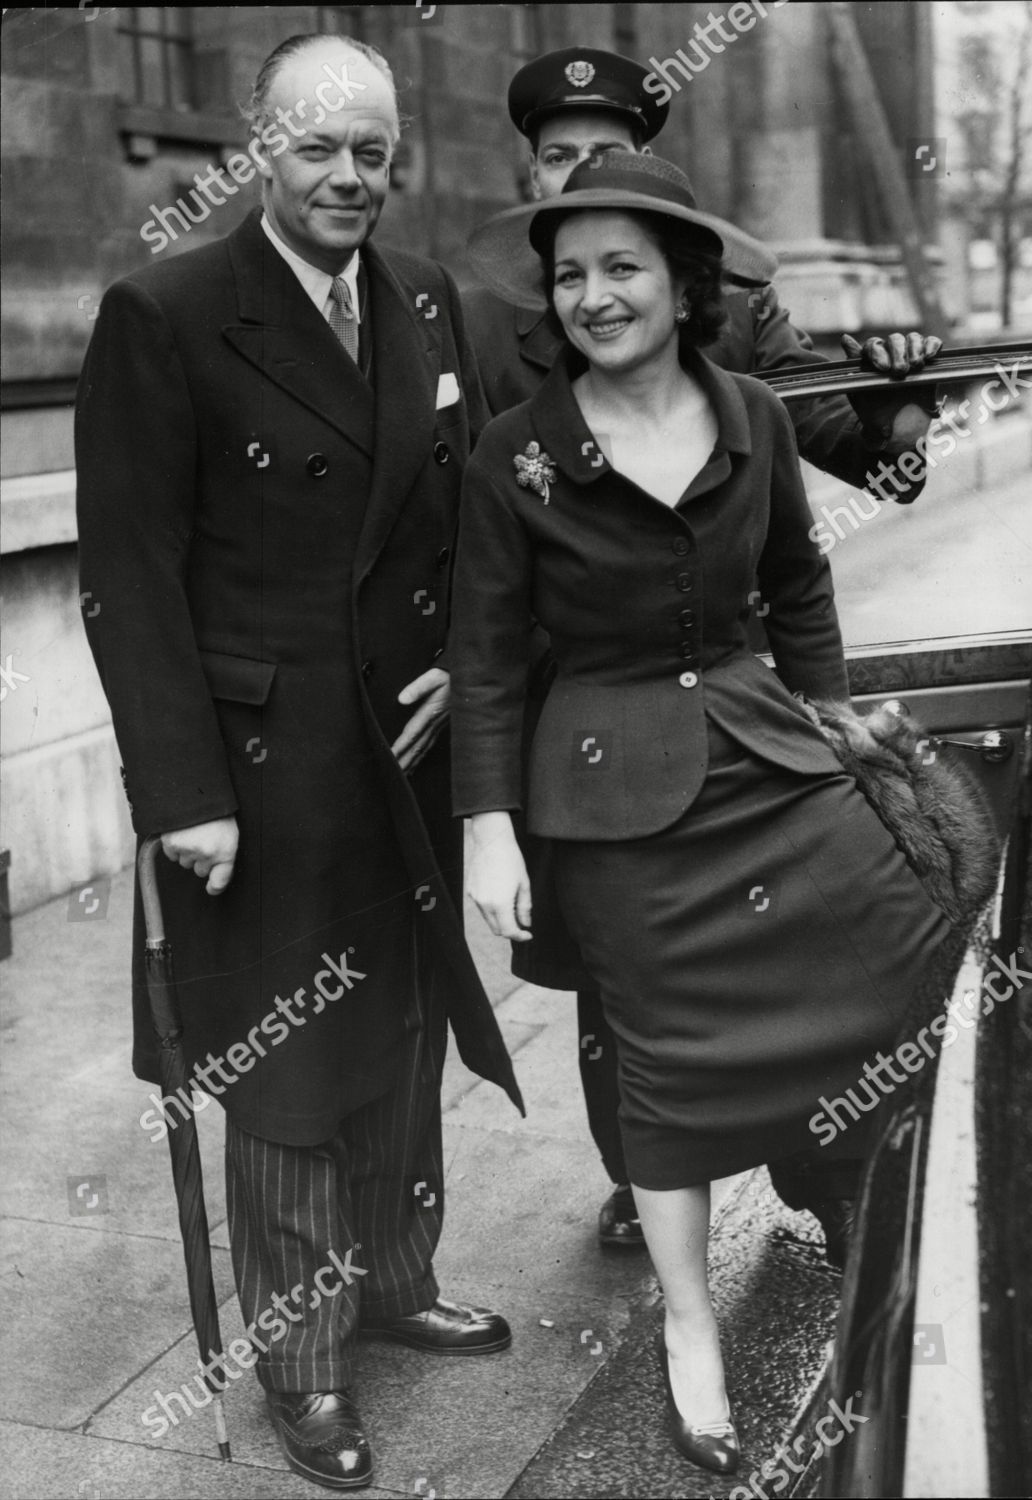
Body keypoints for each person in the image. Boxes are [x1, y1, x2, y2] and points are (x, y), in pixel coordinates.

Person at [450, 150, 954, 1476]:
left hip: (756, 751)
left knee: (890, 948)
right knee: (665, 1063)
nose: (596, 297)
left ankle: (861, 1210)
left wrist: (834, 718)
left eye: (623, 269)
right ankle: (688, 1329)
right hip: (606, 788)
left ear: (681, 284)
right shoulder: (520, 453)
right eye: (571, 277)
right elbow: (489, 654)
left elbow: (800, 589)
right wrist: (488, 825)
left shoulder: (754, 415)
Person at [75, 34, 521, 1492]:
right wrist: (182, 792)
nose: (349, 178)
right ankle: (304, 1363)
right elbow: (127, 575)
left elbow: (477, 517)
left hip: (405, 746)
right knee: (284, 1066)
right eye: (319, 147)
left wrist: (466, 657)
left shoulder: (429, 299)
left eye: (374, 152)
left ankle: (393, 1277)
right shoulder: (167, 311)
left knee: (398, 1027)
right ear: (258, 148)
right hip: (259, 775)